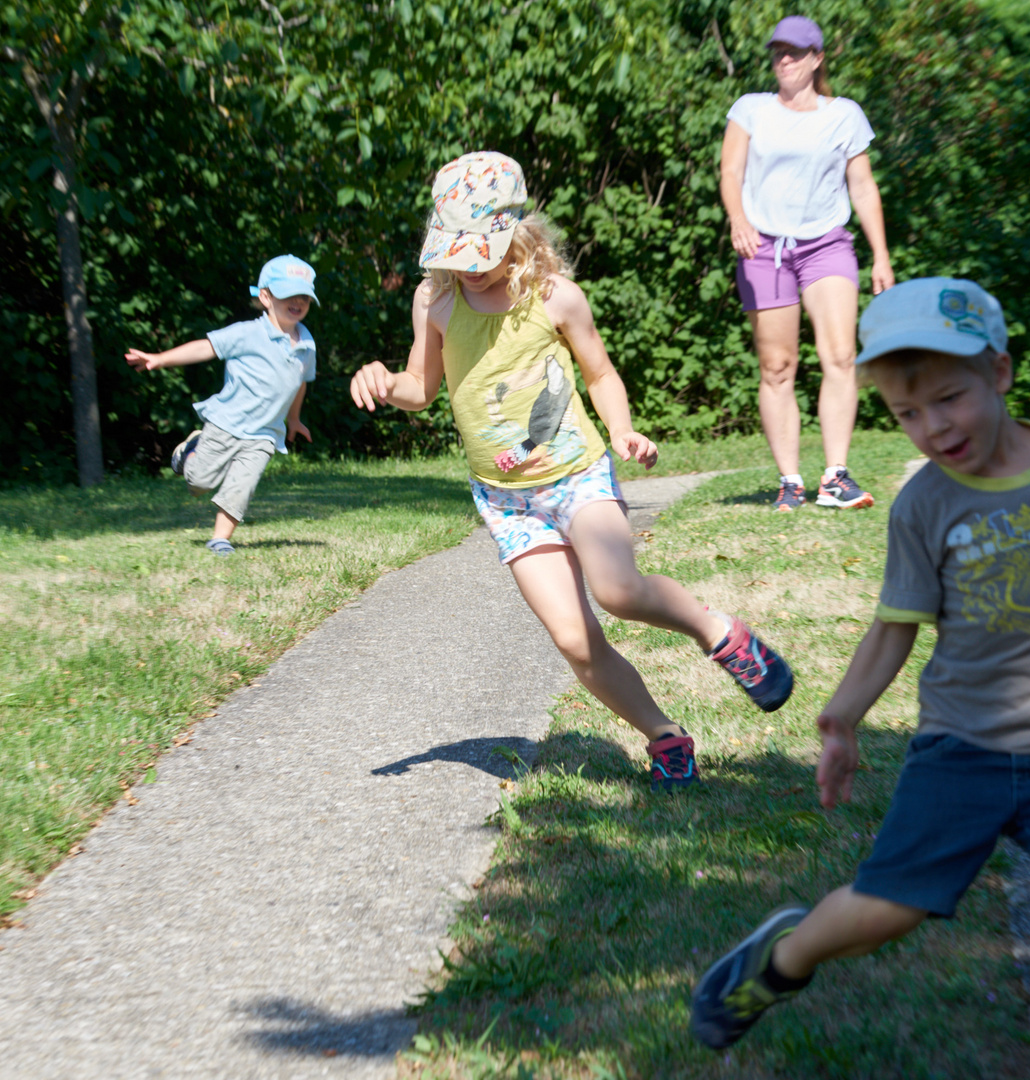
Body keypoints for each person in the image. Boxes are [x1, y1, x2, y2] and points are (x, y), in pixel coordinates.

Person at [690, 278, 1030, 1080]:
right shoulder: (923, 504)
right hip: (962, 751)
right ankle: (783, 958)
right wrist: (840, 718)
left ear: (999, 373)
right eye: (908, 414)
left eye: (950, 398)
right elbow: (894, 627)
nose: (934, 427)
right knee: (886, 914)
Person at [350, 151, 794, 791]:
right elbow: (420, 388)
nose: (470, 269)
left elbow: (601, 374)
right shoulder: (437, 298)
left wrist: (621, 429)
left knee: (617, 590)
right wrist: (383, 381)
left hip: (576, 475)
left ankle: (722, 635)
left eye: (483, 253)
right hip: (505, 500)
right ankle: (665, 737)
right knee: (575, 640)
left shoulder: (555, 296)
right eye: (458, 254)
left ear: (516, 233)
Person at [720, 14, 895, 514]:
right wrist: (738, 218)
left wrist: (880, 253)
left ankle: (835, 477)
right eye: (778, 51)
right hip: (764, 248)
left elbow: (862, 186)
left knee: (839, 356)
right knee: (777, 367)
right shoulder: (751, 109)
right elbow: (731, 170)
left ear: (817, 59)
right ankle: (790, 482)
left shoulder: (844, 115)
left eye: (796, 52)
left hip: (827, 244)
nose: (785, 60)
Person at [125, 255, 319, 557]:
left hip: (264, 434)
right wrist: (159, 359)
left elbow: (299, 383)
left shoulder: (306, 344)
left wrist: (294, 419)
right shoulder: (248, 333)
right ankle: (189, 451)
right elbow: (205, 347)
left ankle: (220, 539)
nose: (297, 301)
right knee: (199, 483)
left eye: (304, 296)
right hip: (225, 423)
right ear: (266, 297)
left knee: (242, 486)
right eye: (288, 294)